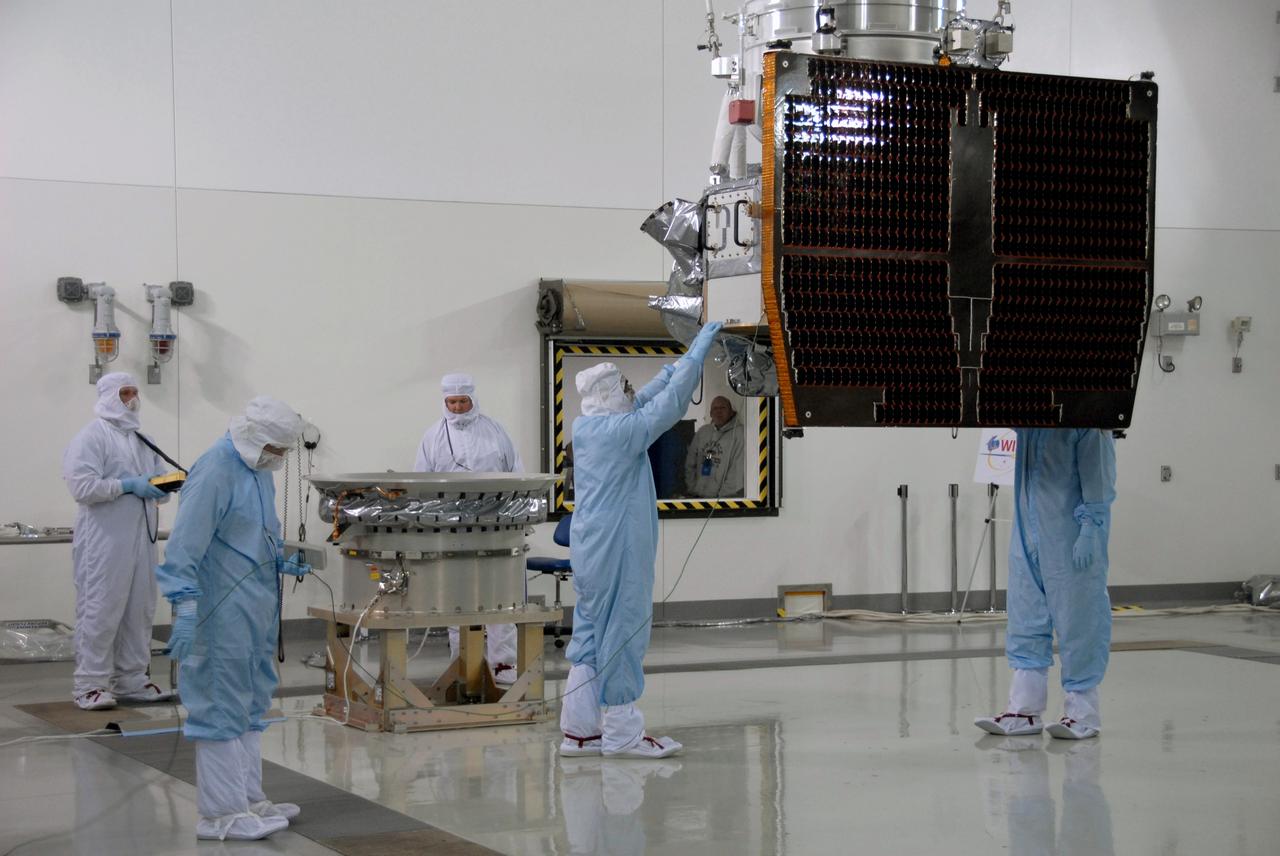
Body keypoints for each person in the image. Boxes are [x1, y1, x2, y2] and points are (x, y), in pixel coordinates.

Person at [559, 321, 723, 759]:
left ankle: (579, 731)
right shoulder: (619, 435)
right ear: (610, 395)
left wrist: (667, 374)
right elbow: (664, 411)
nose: (631, 391)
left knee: (592, 633)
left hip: (591, 547)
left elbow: (642, 404)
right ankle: (622, 734)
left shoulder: (588, 428)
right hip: (619, 548)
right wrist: (694, 357)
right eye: (624, 387)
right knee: (625, 630)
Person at [157, 396, 310, 841]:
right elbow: (185, 545)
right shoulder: (216, 469)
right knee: (221, 705)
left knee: (249, 702)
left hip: (254, 605)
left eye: (284, 452)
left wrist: (280, 560)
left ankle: (248, 798)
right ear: (253, 436)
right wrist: (184, 605)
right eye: (275, 450)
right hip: (218, 608)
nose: (278, 459)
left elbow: (252, 532)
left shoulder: (258, 472)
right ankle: (219, 814)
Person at [975, 429, 1117, 740]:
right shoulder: (1031, 424)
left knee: (1078, 618)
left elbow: (1100, 481)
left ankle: (1083, 713)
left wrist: (1091, 529)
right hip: (1028, 535)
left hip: (1070, 536)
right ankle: (1024, 710)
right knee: (1026, 617)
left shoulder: (1089, 427)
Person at [62, 372, 177, 710]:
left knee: (139, 610)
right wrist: (127, 485)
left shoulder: (143, 438)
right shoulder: (91, 437)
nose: (132, 399)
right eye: (126, 393)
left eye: (135, 393)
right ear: (110, 395)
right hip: (104, 542)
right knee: (101, 609)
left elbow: (156, 485)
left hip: (142, 540)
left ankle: (132, 680)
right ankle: (89, 685)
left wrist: (164, 486)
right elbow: (81, 487)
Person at [414, 373, 523, 684]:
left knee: (499, 595)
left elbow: (516, 470)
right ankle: (462, 660)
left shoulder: (495, 431)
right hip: (452, 529)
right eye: (452, 402)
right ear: (444, 402)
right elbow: (421, 481)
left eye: (463, 401)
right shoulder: (433, 436)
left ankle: (504, 663)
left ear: (473, 399)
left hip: (495, 526)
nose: (458, 407)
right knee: (456, 595)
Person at [683, 395, 745, 498]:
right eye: (715, 409)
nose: (718, 412)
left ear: (731, 412)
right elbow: (690, 463)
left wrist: (720, 498)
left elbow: (737, 473)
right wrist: (693, 489)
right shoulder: (703, 432)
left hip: (723, 501)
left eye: (723, 408)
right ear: (711, 413)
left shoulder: (740, 434)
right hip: (699, 497)